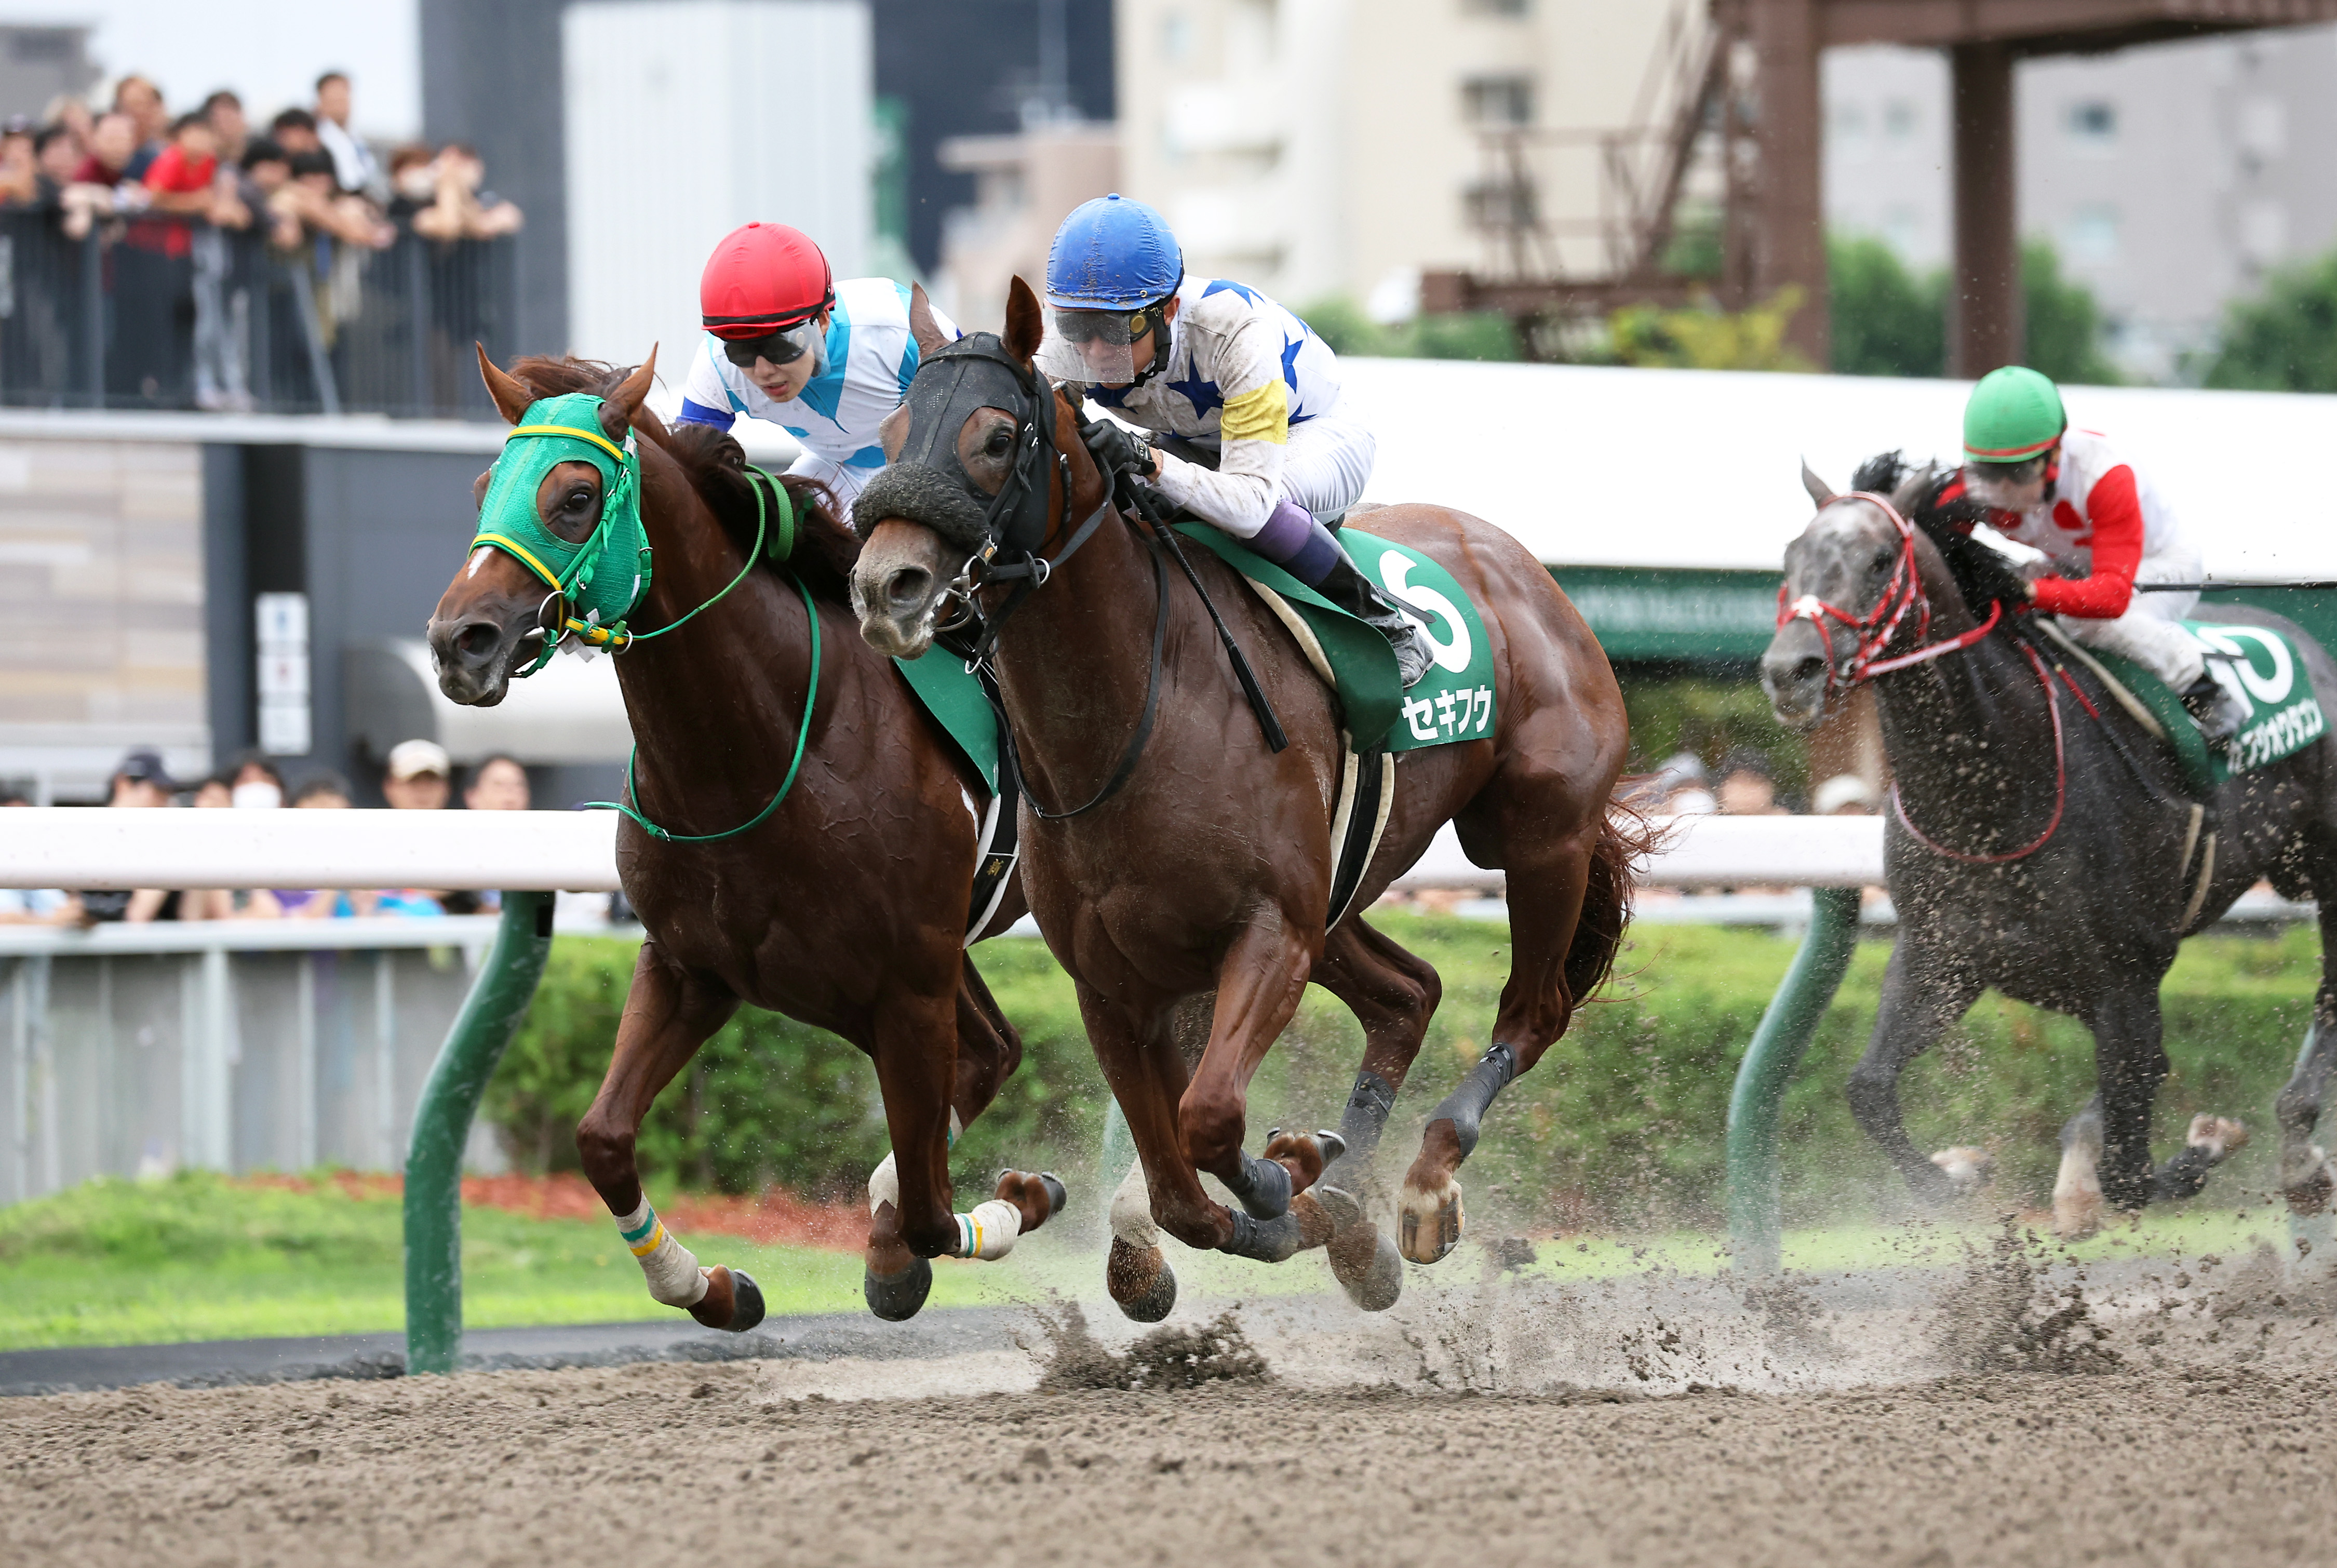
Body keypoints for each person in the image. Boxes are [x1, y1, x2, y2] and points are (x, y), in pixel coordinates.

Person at [1041, 194, 1431, 686]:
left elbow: (1248, 502)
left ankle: (1388, 626)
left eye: (1117, 328)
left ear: (1169, 311)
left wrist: (1146, 457)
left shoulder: (1234, 331)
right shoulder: (1065, 345)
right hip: (1204, 442)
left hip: (1316, 434)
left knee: (1248, 512)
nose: (1095, 351)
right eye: (1077, 325)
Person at [1946, 366, 2248, 748]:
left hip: (2160, 565)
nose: (2001, 489)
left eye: (2019, 472)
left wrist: (2028, 591)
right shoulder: (1970, 486)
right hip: (2075, 565)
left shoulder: (2106, 476)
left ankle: (2205, 693)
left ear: (2054, 454)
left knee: (2082, 623)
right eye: (1989, 472)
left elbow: (2112, 596)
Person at [675, 221, 951, 515]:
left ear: (821, 320)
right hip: (833, 467)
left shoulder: (898, 330)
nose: (764, 371)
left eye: (779, 346)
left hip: (927, 465)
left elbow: (978, 417)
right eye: (741, 351)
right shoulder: (715, 365)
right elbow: (686, 475)